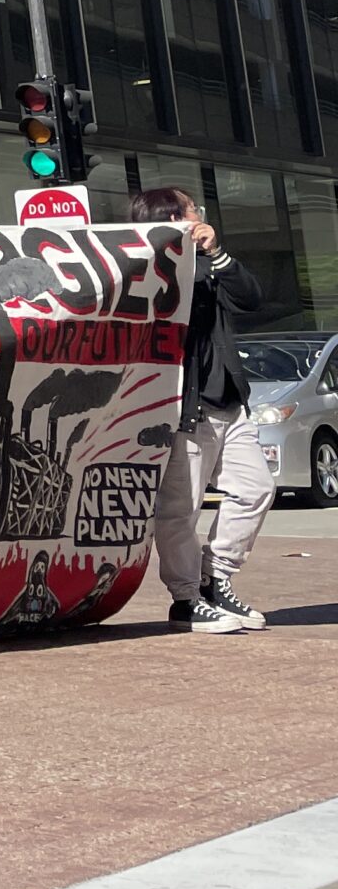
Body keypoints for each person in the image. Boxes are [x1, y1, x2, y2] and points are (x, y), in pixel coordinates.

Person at [135, 186, 272, 633]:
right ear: (175, 216)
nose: (202, 216)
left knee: (255, 489)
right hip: (185, 406)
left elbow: (251, 299)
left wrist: (217, 254)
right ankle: (186, 598)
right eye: (195, 209)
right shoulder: (152, 270)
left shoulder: (210, 263)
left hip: (230, 399)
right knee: (181, 508)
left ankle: (216, 577)